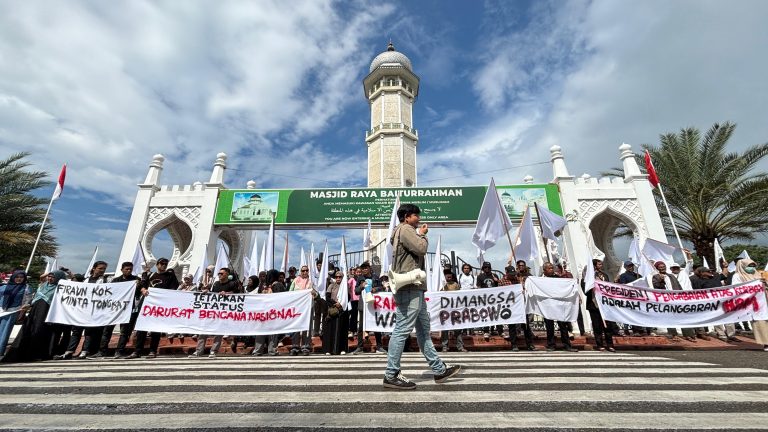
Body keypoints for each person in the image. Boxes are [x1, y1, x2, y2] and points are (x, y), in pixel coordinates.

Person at [383, 203, 460, 390]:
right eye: (417, 215)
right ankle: (391, 374)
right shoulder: (406, 229)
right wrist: (423, 235)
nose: (419, 219)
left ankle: (438, 369)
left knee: (424, 331)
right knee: (402, 329)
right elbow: (421, 248)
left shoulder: (401, 231)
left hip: (414, 288)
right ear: (407, 216)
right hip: (410, 287)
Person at [2, 270, 67, 362]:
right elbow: (40, 283)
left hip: (46, 313)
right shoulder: (43, 285)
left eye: (53, 277)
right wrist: (28, 306)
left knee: (39, 330)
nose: (50, 278)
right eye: (49, 276)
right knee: (30, 330)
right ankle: (24, 353)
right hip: (35, 311)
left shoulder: (60, 289)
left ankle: (36, 354)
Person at [54, 261, 109, 360]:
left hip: (93, 311)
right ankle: (69, 351)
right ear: (94, 268)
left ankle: (84, 351)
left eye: (104, 269)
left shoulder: (105, 281)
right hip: (81, 310)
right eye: (100, 268)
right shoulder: (85, 280)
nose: (102, 270)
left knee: (89, 332)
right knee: (76, 331)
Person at [128, 257, 179, 358]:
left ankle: (153, 351)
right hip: (146, 304)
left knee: (156, 328)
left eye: (165, 263)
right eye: (161, 263)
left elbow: (174, 289)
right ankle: (137, 351)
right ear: (157, 264)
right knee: (141, 328)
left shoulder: (170, 276)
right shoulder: (150, 275)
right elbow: (141, 286)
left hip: (160, 306)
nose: (163, 265)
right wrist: (143, 289)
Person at [190, 267, 237, 358]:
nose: (219, 275)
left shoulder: (232, 284)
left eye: (221, 273)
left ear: (227, 274)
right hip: (213, 311)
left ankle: (214, 351)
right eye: (219, 273)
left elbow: (237, 294)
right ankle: (199, 351)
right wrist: (207, 292)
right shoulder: (216, 284)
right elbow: (213, 295)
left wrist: (227, 293)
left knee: (218, 332)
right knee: (203, 330)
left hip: (223, 312)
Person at [96, 262, 140, 358]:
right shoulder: (115, 281)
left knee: (124, 332)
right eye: (127, 269)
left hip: (127, 309)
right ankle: (102, 351)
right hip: (113, 309)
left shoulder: (136, 280)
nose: (129, 271)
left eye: (130, 269)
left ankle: (119, 351)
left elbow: (138, 294)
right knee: (107, 330)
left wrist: (138, 286)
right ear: (122, 270)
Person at [731, 259, 768, 352]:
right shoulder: (737, 276)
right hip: (753, 303)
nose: (751, 268)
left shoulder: (758, 274)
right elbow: (736, 289)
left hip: (764, 300)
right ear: (742, 266)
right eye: (749, 265)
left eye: (753, 265)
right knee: (760, 322)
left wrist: (764, 283)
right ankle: (766, 343)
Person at [542, 262, 577, 352]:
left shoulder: (558, 278)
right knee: (549, 326)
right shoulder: (540, 280)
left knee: (563, 326)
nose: (551, 269)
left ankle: (567, 345)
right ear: (544, 270)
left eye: (552, 267)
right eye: (549, 268)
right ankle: (551, 344)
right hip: (548, 306)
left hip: (559, 305)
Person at [353, 261, 385, 354]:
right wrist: (361, 286)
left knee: (376, 325)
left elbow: (381, 287)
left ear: (369, 268)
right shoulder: (360, 278)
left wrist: (375, 289)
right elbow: (356, 291)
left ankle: (379, 347)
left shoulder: (375, 277)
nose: (364, 270)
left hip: (374, 305)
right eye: (362, 268)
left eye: (365, 268)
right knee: (361, 327)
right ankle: (360, 347)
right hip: (363, 305)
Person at [584, 260, 615, 352]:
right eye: (599, 264)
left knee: (607, 326)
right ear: (594, 266)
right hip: (594, 304)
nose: (601, 265)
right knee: (597, 326)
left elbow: (608, 287)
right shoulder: (588, 277)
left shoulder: (604, 275)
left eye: (601, 264)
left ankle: (610, 345)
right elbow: (585, 290)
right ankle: (600, 344)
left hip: (605, 304)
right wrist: (592, 288)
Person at [0, 271, 32, 356]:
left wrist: (22, 312)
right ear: (13, 277)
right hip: (1, 310)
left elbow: (27, 302)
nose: (19, 279)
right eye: (17, 277)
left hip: (12, 312)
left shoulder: (26, 288)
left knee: (4, 332)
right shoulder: (4, 287)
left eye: (21, 277)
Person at [289, 265, 316, 355]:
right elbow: (290, 293)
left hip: (308, 307)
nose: (305, 272)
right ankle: (295, 346)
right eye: (303, 270)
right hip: (297, 307)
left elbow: (317, 293)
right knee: (296, 326)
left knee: (307, 326)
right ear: (300, 271)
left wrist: (314, 293)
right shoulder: (295, 281)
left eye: (306, 270)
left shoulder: (311, 281)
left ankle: (305, 346)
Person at [322, 271, 349, 355]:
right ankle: (329, 350)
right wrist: (335, 303)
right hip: (332, 310)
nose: (338, 278)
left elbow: (349, 296)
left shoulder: (345, 287)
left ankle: (341, 349)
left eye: (340, 277)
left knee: (342, 330)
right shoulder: (331, 285)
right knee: (331, 330)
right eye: (336, 277)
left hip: (342, 311)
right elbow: (327, 297)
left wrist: (341, 304)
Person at [440, 272, 466, 352]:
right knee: (445, 329)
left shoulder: (456, 285)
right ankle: (445, 346)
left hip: (455, 309)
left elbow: (459, 295)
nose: (449, 276)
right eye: (447, 275)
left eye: (450, 275)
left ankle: (460, 346)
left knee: (457, 328)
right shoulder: (441, 285)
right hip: (445, 309)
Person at [476, 261, 500, 340]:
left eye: (488, 267)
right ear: (483, 268)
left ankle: (498, 330)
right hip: (485, 299)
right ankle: (486, 331)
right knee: (486, 314)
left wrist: (497, 281)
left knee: (496, 313)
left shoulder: (495, 275)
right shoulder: (480, 276)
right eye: (485, 267)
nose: (487, 269)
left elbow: (499, 287)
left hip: (494, 298)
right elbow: (478, 287)